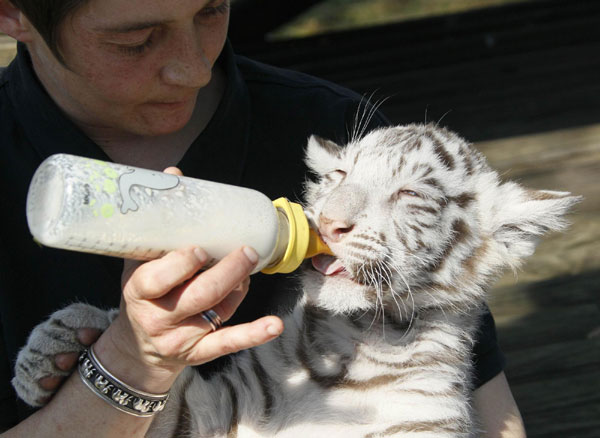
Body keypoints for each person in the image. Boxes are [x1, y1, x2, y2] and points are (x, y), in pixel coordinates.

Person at [0, 0, 526, 436]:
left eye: (212, 11)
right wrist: (129, 364)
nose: (195, 69)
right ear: (10, 13)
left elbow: (488, 407)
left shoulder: (333, 125)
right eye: (135, 40)